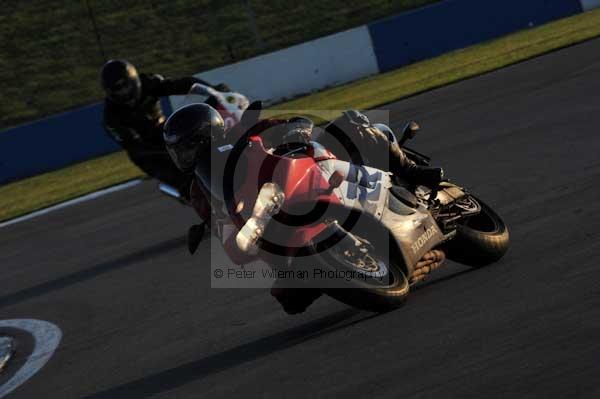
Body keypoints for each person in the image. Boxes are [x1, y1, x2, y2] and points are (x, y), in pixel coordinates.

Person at [163, 103, 444, 314]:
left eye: (187, 147)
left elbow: (294, 121)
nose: (184, 156)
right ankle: (370, 267)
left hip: (310, 169)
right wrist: (218, 231)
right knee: (291, 299)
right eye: (179, 152)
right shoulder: (199, 189)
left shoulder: (243, 132)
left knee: (353, 124)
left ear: (206, 133)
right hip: (274, 214)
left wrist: (296, 131)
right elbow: (218, 217)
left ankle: (412, 170)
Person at [100, 59, 230, 199]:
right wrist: (172, 149)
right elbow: (135, 145)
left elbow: (179, 85)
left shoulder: (148, 82)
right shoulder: (110, 118)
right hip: (148, 153)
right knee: (188, 184)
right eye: (118, 90)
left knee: (207, 143)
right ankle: (210, 212)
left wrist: (213, 90)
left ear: (134, 80)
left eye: (125, 86)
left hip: (165, 131)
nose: (124, 93)